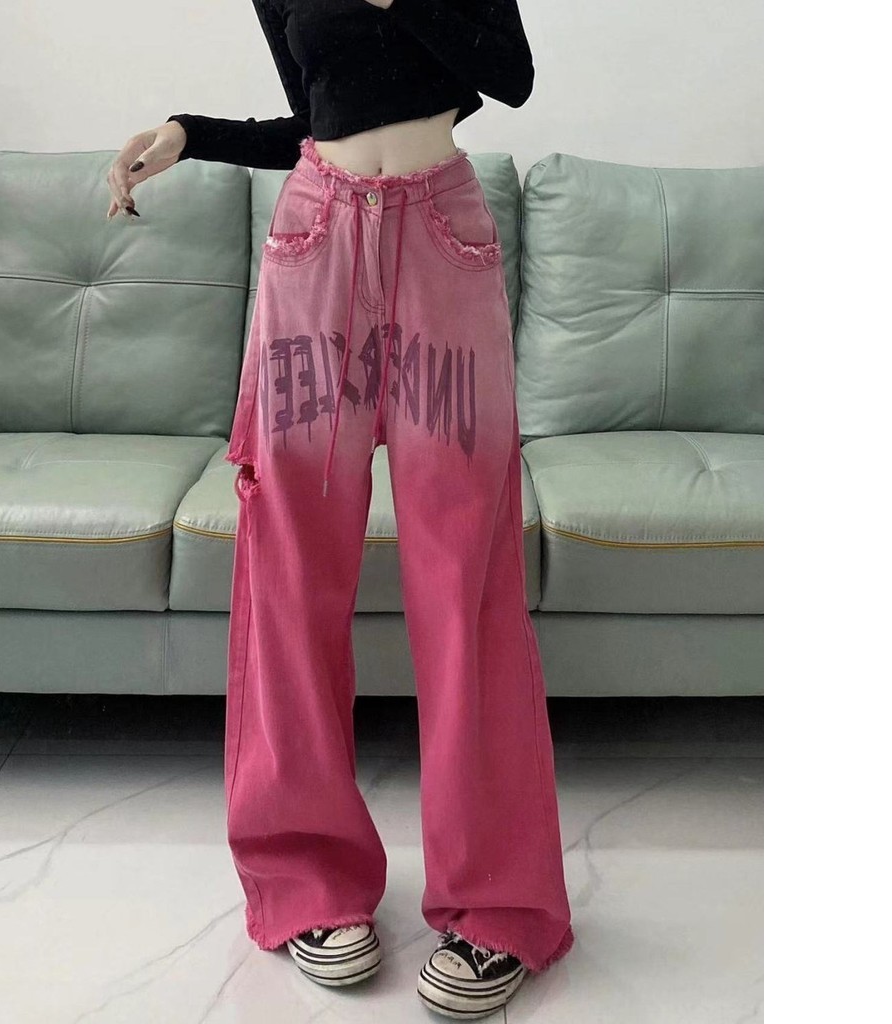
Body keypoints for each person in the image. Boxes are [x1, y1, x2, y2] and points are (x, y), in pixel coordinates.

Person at [107, 2, 574, 1017]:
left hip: (443, 243)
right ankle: (309, 881)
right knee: (291, 572)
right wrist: (189, 133)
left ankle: (497, 901)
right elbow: (315, 119)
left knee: (467, 582)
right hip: (316, 242)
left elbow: (509, 74)